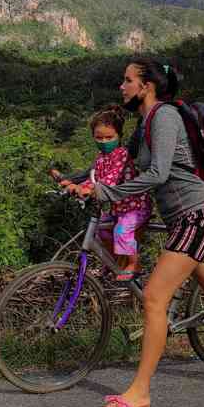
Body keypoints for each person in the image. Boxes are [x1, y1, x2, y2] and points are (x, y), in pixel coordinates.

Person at [72, 58, 204, 407]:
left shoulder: (164, 117)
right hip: (186, 219)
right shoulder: (145, 122)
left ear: (146, 86)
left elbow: (158, 173)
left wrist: (107, 194)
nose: (121, 87)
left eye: (127, 81)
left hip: (196, 216)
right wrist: (82, 181)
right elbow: (119, 162)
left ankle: (140, 392)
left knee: (154, 297)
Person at [50, 105, 152, 281]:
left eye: (109, 137)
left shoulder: (121, 154)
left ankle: (134, 264)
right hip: (117, 209)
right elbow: (95, 178)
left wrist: (86, 189)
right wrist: (77, 185)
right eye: (99, 137)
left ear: (119, 136)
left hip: (135, 207)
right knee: (102, 232)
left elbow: (109, 181)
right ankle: (112, 262)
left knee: (121, 231)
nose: (104, 141)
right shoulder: (101, 157)